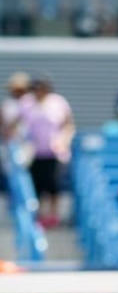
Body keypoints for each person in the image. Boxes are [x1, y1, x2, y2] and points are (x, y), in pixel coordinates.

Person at [16, 73, 75, 228]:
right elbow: (16, 124)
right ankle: (40, 215)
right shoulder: (26, 103)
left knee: (53, 184)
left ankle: (53, 215)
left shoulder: (58, 102)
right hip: (33, 153)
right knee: (37, 185)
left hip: (54, 152)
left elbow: (68, 124)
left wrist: (63, 141)